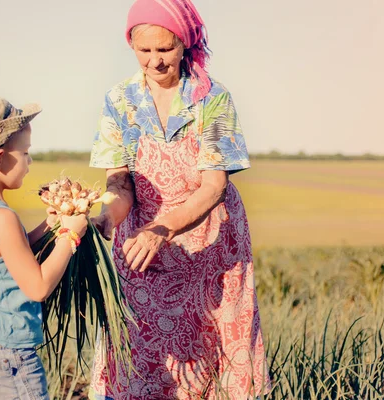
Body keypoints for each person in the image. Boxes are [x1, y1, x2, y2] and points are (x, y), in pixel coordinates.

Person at [89, 0, 270, 398]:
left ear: (184, 44)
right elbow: (120, 184)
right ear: (131, 45)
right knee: (143, 357)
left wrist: (163, 228)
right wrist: (107, 220)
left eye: (165, 49)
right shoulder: (119, 100)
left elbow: (213, 187)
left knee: (213, 351)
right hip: (142, 249)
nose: (154, 61)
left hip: (209, 247)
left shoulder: (212, 98)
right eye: (144, 50)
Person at [0, 96, 88, 399]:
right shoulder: (1, 217)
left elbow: (7, 253)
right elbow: (37, 287)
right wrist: (70, 237)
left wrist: (49, 226)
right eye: (24, 153)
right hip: (1, 349)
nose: (29, 162)